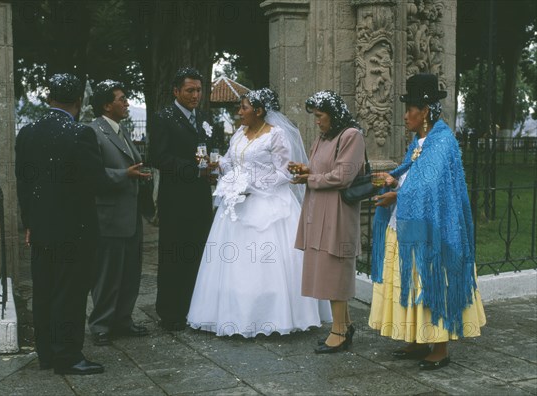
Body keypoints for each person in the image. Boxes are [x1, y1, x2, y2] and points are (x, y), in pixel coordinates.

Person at [187, 88, 331, 337]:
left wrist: (254, 185)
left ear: (259, 110)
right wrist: (218, 164)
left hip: (269, 203)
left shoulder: (277, 135)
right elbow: (232, 161)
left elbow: (284, 172)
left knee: (270, 262)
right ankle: (234, 313)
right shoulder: (240, 134)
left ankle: (275, 314)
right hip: (237, 205)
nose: (239, 112)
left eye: (243, 107)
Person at [368, 73, 486, 370]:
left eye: (410, 108)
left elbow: (433, 186)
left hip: (434, 227)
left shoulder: (443, 140)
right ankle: (418, 339)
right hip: (409, 221)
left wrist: (397, 194)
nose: (405, 114)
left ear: (426, 111)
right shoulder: (419, 141)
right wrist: (394, 179)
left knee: (431, 279)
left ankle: (440, 347)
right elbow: (414, 175)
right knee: (410, 280)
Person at [15, 74, 107, 375]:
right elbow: (95, 182)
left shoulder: (27, 133)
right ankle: (67, 355)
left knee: (44, 290)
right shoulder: (81, 134)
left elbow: (23, 184)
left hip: (41, 229)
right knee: (70, 291)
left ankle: (46, 354)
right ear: (78, 101)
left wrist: (29, 222)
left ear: (49, 97)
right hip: (75, 229)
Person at [292, 91, 365, 354]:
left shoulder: (351, 136)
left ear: (333, 115)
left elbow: (343, 176)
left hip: (338, 211)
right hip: (319, 210)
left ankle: (339, 332)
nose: (317, 121)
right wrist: (304, 170)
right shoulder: (325, 137)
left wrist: (309, 179)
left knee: (336, 268)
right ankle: (343, 325)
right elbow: (321, 169)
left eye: (320, 116)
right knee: (326, 266)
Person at [149, 67, 214, 331]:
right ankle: (170, 312)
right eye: (190, 90)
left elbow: (213, 147)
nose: (195, 95)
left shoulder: (205, 118)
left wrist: (215, 164)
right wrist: (192, 169)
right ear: (176, 91)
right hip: (175, 198)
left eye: (198, 90)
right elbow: (158, 156)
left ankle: (194, 307)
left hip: (200, 197)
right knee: (173, 254)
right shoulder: (163, 118)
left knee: (197, 253)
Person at [87, 80, 150, 346]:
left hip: (131, 215)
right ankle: (100, 324)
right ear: (106, 105)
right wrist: (125, 174)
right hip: (109, 217)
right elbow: (92, 175)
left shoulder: (121, 130)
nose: (126, 103)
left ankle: (123, 319)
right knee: (108, 274)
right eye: (121, 99)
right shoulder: (93, 132)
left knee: (130, 272)